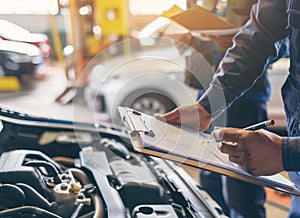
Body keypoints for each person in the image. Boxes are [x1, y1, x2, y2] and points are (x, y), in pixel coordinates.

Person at [156, 0, 300, 217]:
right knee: (213, 185)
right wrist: (207, 106)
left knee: (241, 195)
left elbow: (277, 44)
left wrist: (289, 153)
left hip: (248, 102)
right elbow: (260, 35)